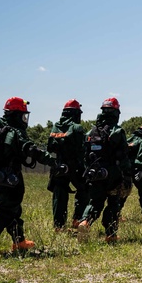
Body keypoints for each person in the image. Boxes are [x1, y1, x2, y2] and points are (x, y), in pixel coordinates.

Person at [0, 97, 54, 257]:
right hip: (11, 179)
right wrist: (52, 161)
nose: (25, 119)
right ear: (16, 115)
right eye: (23, 116)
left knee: (14, 210)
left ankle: (19, 242)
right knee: (7, 213)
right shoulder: (14, 132)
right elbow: (30, 149)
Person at [77, 98, 133, 243]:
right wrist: (127, 175)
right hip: (112, 173)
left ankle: (84, 222)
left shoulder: (91, 132)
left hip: (94, 173)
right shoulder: (117, 131)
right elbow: (124, 157)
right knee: (114, 203)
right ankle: (111, 235)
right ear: (116, 113)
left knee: (95, 202)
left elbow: (84, 156)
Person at [46, 99, 89, 231]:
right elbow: (82, 149)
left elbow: (50, 147)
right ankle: (78, 219)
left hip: (59, 166)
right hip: (75, 165)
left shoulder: (55, 126)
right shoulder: (77, 127)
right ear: (76, 114)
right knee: (84, 190)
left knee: (59, 194)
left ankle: (59, 226)